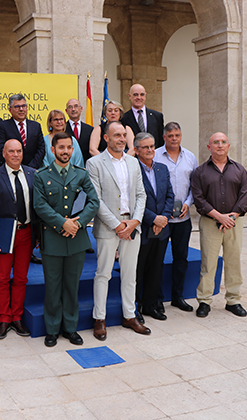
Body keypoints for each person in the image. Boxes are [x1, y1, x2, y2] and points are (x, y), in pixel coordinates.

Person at [33, 132, 99, 347]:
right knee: (53, 287)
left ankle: (70, 328)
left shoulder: (81, 174)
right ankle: (52, 330)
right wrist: (63, 223)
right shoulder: (41, 175)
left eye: (69, 147)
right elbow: (40, 205)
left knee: (72, 286)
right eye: (61, 147)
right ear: (53, 150)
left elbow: (93, 202)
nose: (65, 151)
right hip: (52, 240)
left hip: (76, 240)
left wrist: (77, 224)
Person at [86, 122, 150, 341]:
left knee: (130, 274)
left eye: (124, 135)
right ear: (106, 138)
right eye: (117, 135)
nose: (122, 139)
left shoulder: (133, 162)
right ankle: (99, 318)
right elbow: (95, 199)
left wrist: (135, 221)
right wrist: (117, 225)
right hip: (108, 227)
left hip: (132, 225)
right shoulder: (94, 163)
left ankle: (130, 316)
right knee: (103, 274)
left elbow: (141, 194)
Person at [191, 132, 247, 318]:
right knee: (208, 263)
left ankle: (233, 300)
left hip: (234, 223)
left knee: (233, 262)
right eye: (216, 142)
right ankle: (204, 301)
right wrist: (219, 217)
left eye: (223, 142)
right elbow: (198, 199)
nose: (220, 145)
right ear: (209, 147)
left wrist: (231, 217)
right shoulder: (200, 172)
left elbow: (245, 195)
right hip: (210, 223)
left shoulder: (239, 170)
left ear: (228, 146)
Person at [0, 139, 35, 339]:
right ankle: (4, 318)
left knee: (21, 278)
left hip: (26, 233)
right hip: (3, 235)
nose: (15, 155)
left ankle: (17, 317)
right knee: (2, 278)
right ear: (3, 153)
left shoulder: (32, 174)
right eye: (11, 151)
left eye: (19, 151)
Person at [154, 122, 198, 312]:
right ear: (164, 137)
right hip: (161, 219)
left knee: (181, 259)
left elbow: (195, 186)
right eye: (170, 135)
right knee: (157, 260)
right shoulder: (155, 155)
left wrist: (188, 203)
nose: (174, 139)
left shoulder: (190, 157)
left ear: (181, 136)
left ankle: (177, 297)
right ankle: (156, 299)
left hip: (183, 219)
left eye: (177, 135)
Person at [135, 132, 174, 321]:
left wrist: (163, 218)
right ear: (136, 150)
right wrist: (153, 219)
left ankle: (151, 306)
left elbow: (170, 196)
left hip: (161, 229)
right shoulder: (132, 169)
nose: (150, 150)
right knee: (138, 271)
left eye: (152, 146)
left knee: (156, 269)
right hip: (142, 229)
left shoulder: (162, 168)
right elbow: (133, 201)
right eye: (145, 147)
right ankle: (135, 308)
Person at [0, 94, 45, 169]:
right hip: (11, 169)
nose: (21, 109)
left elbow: (41, 149)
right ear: (10, 110)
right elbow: (1, 149)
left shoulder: (36, 126)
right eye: (17, 107)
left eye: (23, 106)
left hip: (33, 169)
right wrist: (16, 166)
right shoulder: (2, 126)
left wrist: (30, 168)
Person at [121, 84, 165, 149]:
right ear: (129, 96)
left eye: (142, 94)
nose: (139, 97)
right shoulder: (123, 118)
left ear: (145, 96)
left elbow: (161, 141)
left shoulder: (157, 116)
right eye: (135, 95)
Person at [65, 99, 94, 163]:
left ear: (81, 109)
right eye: (70, 107)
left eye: (76, 106)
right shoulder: (63, 129)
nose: (73, 109)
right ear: (66, 111)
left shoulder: (90, 129)